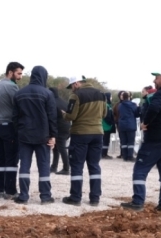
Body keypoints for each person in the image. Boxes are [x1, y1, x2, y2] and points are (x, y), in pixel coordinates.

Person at [121, 71, 161, 213]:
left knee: (140, 170)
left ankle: (138, 201)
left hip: (155, 138)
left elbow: (154, 108)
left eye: (156, 78)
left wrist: (146, 123)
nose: (154, 81)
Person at [11, 65, 57, 204]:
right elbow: (52, 116)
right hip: (43, 136)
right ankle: (45, 196)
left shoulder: (19, 93)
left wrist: (17, 132)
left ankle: (23, 196)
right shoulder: (47, 94)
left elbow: (15, 117)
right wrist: (53, 135)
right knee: (43, 166)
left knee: (24, 165)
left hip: (24, 135)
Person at [62, 76, 105, 206]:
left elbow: (71, 116)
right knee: (94, 166)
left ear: (76, 84)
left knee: (77, 166)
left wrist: (63, 114)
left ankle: (75, 197)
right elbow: (104, 114)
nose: (71, 90)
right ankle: (95, 198)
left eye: (71, 87)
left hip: (80, 133)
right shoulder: (101, 94)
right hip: (97, 133)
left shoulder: (76, 96)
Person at [0, 62, 24, 199]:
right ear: (10, 72)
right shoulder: (12, 87)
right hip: (9, 126)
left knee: (0, 159)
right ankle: (10, 191)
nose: (20, 77)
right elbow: (18, 107)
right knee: (11, 159)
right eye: (18, 73)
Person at [48, 87, 71, 174]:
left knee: (61, 148)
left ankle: (66, 168)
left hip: (59, 127)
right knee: (57, 148)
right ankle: (54, 166)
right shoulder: (64, 102)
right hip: (67, 126)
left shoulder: (52, 102)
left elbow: (52, 117)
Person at [115, 91, 139, 161]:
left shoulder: (120, 105)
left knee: (124, 141)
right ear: (129, 97)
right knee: (130, 141)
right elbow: (137, 114)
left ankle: (125, 156)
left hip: (122, 125)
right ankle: (130, 156)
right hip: (131, 124)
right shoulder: (133, 105)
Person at [101, 93, 116, 159]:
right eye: (111, 97)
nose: (111, 98)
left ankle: (104, 153)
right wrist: (111, 123)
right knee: (105, 140)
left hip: (106, 126)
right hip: (106, 126)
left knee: (105, 140)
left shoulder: (108, 105)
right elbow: (107, 116)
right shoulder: (106, 106)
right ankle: (103, 154)